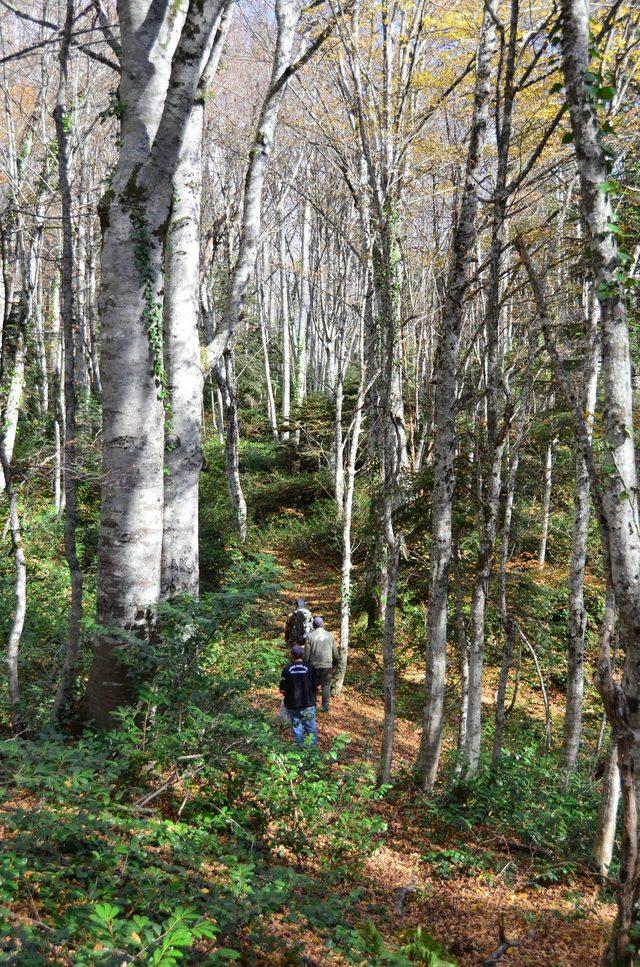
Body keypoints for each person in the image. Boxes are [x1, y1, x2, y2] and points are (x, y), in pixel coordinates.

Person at [279, 645, 319, 748]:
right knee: (311, 729)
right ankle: (312, 754)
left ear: (292, 655)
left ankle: (300, 753)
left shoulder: (287, 669)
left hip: (293, 705)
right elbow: (317, 684)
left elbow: (282, 689)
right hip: (308, 704)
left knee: (297, 730)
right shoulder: (310, 668)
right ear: (303, 655)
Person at [303, 616, 339, 713]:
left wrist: (305, 665)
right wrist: (335, 663)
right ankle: (325, 707)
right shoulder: (330, 635)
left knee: (313, 685)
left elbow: (306, 654)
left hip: (313, 666)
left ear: (313, 626)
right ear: (323, 624)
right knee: (326, 686)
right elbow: (335, 653)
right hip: (327, 665)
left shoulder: (310, 636)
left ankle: (312, 706)